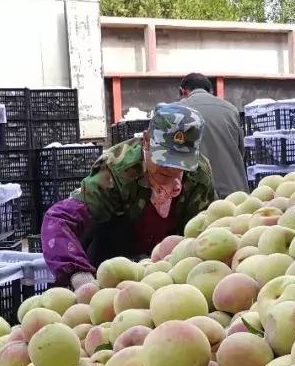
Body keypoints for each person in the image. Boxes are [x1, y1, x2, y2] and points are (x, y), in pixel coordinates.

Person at [41, 103, 216, 289]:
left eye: (180, 162)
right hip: (112, 265)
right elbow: (59, 219)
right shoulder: (116, 169)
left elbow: (206, 230)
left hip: (169, 275)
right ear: (147, 140)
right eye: (164, 158)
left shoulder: (199, 176)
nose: (172, 168)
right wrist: (77, 273)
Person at [176, 73, 247, 198]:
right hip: (234, 193)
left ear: (182, 91)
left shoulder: (176, 111)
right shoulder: (231, 110)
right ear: (210, 91)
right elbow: (241, 151)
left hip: (196, 196)